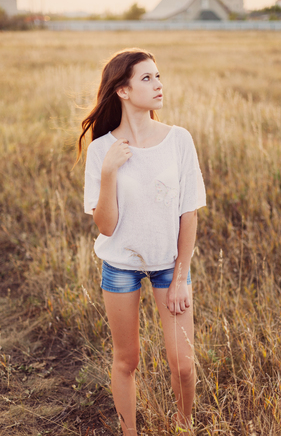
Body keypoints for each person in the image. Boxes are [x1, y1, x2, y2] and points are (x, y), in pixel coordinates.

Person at [77, 48, 206, 435]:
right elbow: (107, 227)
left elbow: (189, 213)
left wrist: (181, 276)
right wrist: (110, 175)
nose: (158, 84)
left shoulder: (178, 140)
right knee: (126, 360)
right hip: (120, 265)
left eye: (158, 76)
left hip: (170, 265)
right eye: (147, 78)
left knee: (182, 363)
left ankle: (183, 427)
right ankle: (129, 431)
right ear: (122, 90)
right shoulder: (102, 151)